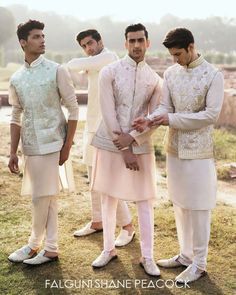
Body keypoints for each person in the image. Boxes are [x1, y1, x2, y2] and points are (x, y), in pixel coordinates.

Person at [132, 27, 224, 283]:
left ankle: (200, 263)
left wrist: (170, 119)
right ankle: (185, 255)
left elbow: (210, 116)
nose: (175, 60)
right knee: (181, 203)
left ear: (191, 47)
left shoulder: (213, 75)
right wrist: (149, 120)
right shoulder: (171, 73)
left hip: (199, 151)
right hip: (174, 149)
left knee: (199, 207)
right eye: (172, 55)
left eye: (178, 54)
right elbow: (165, 107)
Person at [90, 23, 162, 276]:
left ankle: (148, 256)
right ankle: (108, 249)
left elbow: (153, 118)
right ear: (125, 43)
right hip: (109, 142)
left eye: (140, 40)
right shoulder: (108, 72)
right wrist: (123, 147)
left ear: (147, 43)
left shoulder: (155, 80)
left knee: (144, 200)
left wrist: (132, 139)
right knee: (108, 197)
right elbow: (107, 112)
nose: (136, 45)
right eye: (131, 41)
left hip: (139, 144)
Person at [7, 20, 79, 265]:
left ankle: (32, 244)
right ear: (23, 43)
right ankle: (50, 248)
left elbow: (73, 108)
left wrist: (67, 146)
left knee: (41, 197)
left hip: (53, 142)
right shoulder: (16, 77)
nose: (42, 40)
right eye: (36, 36)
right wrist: (12, 152)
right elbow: (16, 115)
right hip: (30, 146)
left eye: (43, 36)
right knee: (47, 197)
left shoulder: (56, 70)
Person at [67, 29, 134, 246]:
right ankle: (98, 221)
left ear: (100, 41)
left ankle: (127, 226)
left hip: (107, 128)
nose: (88, 48)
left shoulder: (108, 57)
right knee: (93, 178)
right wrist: (88, 65)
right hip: (91, 125)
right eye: (84, 46)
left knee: (108, 179)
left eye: (90, 43)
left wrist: (87, 63)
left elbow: (71, 66)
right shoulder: (94, 62)